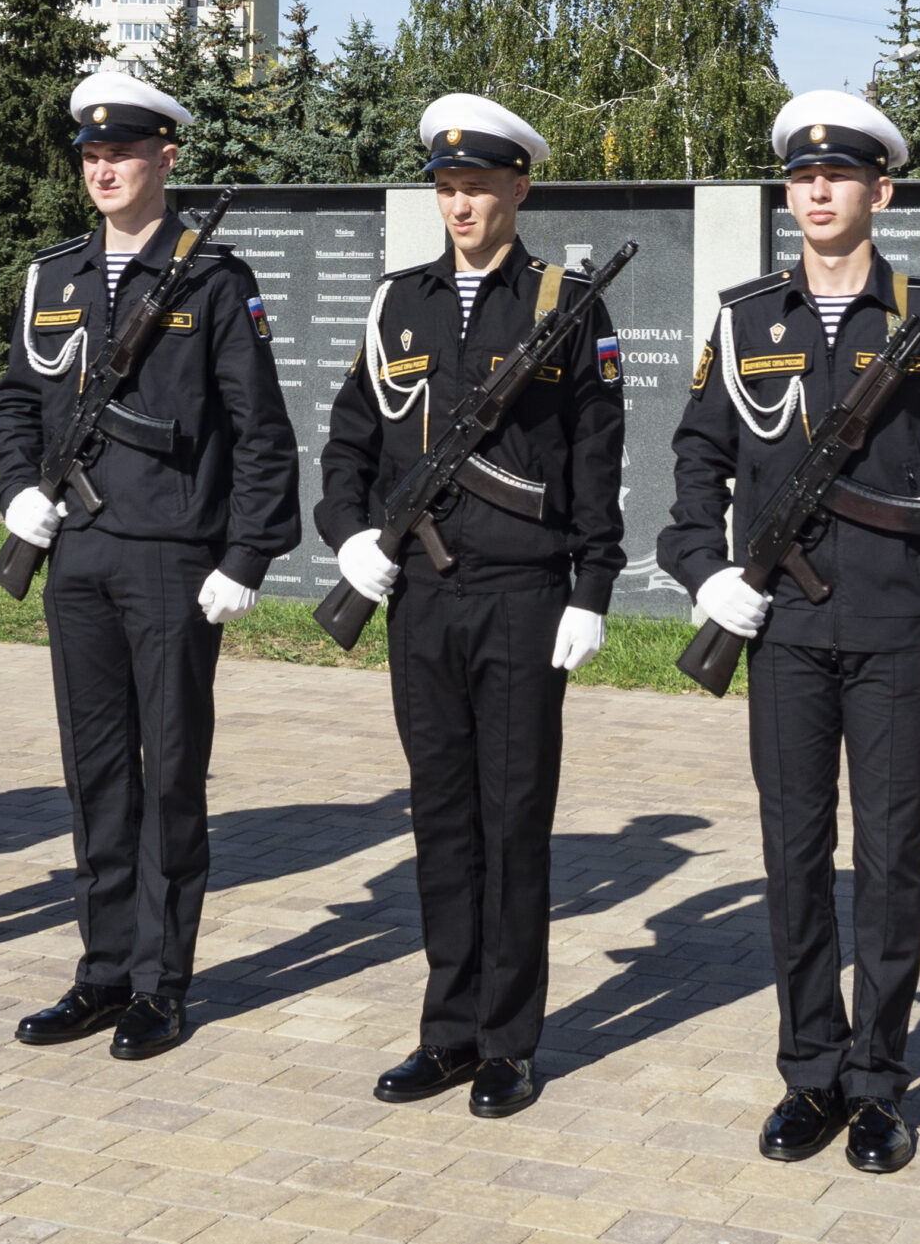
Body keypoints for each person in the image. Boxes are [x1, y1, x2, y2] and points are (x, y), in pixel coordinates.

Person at [656, 87, 920, 1174]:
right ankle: (808, 1074)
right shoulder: (744, 314)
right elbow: (695, 465)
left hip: (899, 630)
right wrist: (703, 572)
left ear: (878, 191)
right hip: (785, 637)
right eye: (802, 177)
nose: (816, 191)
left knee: (892, 860)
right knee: (794, 855)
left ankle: (877, 1083)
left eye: (839, 176)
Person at [315, 92, 626, 1121]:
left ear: (517, 189)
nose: (460, 205)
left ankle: (508, 1042)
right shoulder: (395, 303)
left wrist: (591, 585)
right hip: (421, 600)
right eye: (447, 189)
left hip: (522, 595)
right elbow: (352, 434)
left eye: (479, 188)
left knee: (513, 819)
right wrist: (349, 532)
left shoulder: (563, 302)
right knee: (440, 817)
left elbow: (594, 455)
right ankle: (444, 1033)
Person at [0, 67, 302, 1060]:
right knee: (94, 777)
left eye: (121, 151)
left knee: (167, 774)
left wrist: (247, 550)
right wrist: (17, 494)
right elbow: (10, 405)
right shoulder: (53, 277)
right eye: (90, 154)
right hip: (75, 555)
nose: (103, 169)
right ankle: (101, 970)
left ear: (166, 155)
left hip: (171, 558)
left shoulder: (213, 279)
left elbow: (260, 430)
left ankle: (161, 984)